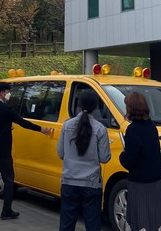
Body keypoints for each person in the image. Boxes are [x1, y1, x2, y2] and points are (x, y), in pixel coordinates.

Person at [0, 81, 51, 220]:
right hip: (3, 152)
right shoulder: (6, 109)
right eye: (8, 92)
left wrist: (7, 127)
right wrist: (41, 129)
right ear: (2, 93)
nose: (9, 95)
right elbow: (22, 122)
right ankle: (6, 211)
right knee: (8, 180)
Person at [56, 89, 111, 231]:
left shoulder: (67, 125)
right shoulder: (100, 129)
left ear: (79, 104)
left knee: (66, 225)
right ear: (96, 107)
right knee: (92, 224)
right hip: (91, 184)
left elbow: (60, 153)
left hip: (69, 181)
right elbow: (105, 158)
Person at [119, 91, 161, 231]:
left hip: (139, 182)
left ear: (130, 108)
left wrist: (122, 156)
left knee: (140, 220)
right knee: (156, 219)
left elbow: (130, 160)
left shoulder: (132, 130)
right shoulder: (152, 127)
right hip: (155, 181)